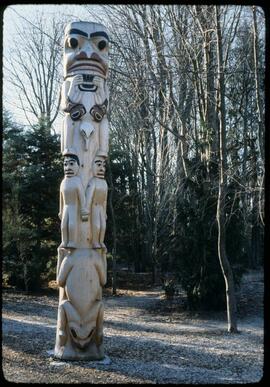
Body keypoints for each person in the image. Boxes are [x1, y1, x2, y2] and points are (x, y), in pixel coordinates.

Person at [58, 154, 88, 248]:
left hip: (74, 207)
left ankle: (72, 241)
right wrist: (60, 210)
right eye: (65, 164)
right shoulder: (63, 182)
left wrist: (83, 208)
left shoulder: (77, 181)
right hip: (66, 207)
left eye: (71, 164)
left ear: (78, 166)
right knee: (63, 225)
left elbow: (82, 196)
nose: (68, 167)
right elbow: (61, 198)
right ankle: (64, 241)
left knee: (71, 224)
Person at [86, 156, 108, 250]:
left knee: (103, 226)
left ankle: (101, 241)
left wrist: (105, 211)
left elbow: (105, 199)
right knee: (96, 225)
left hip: (101, 208)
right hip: (94, 207)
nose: (102, 168)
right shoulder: (92, 182)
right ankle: (95, 241)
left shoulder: (104, 183)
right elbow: (89, 197)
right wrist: (86, 209)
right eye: (99, 165)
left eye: (103, 166)